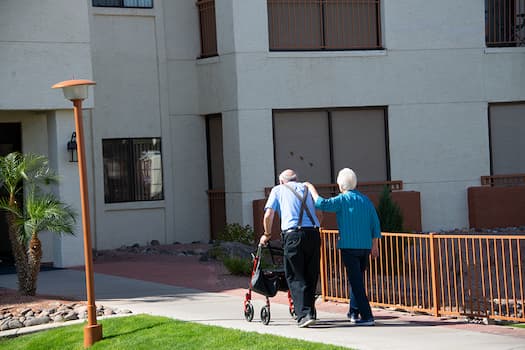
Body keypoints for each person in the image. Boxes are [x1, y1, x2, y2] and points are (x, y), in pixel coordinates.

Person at [305, 168, 381, 326]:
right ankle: (353, 312)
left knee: (356, 282)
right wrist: (375, 246)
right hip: (365, 246)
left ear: (341, 185)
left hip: (349, 246)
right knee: (357, 280)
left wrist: (311, 188)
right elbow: (375, 224)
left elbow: (321, 203)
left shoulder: (342, 200)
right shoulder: (365, 200)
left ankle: (367, 316)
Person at [259, 169, 321, 328]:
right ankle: (310, 311)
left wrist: (266, 234)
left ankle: (304, 315)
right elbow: (319, 211)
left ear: (281, 181)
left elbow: (268, 215)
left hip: (293, 235)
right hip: (313, 233)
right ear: (296, 179)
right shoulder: (307, 188)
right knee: (311, 273)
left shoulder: (278, 190)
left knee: (295, 275)